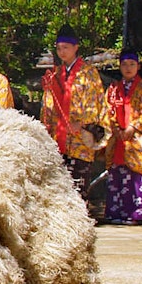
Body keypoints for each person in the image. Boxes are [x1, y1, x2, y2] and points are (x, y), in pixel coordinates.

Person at [101, 51, 142, 224]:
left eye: (132, 64)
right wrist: (115, 127)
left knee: (135, 176)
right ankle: (115, 213)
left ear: (138, 66)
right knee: (116, 175)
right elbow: (106, 110)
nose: (128, 68)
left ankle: (133, 214)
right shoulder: (113, 88)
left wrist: (133, 126)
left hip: (137, 138)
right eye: (124, 64)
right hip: (118, 137)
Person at [41, 24, 106, 192]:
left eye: (66, 48)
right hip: (58, 137)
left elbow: (94, 104)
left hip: (79, 139)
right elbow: (48, 105)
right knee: (58, 189)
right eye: (59, 48)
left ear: (76, 47)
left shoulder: (88, 73)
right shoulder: (56, 74)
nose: (62, 52)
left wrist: (83, 123)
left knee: (77, 188)